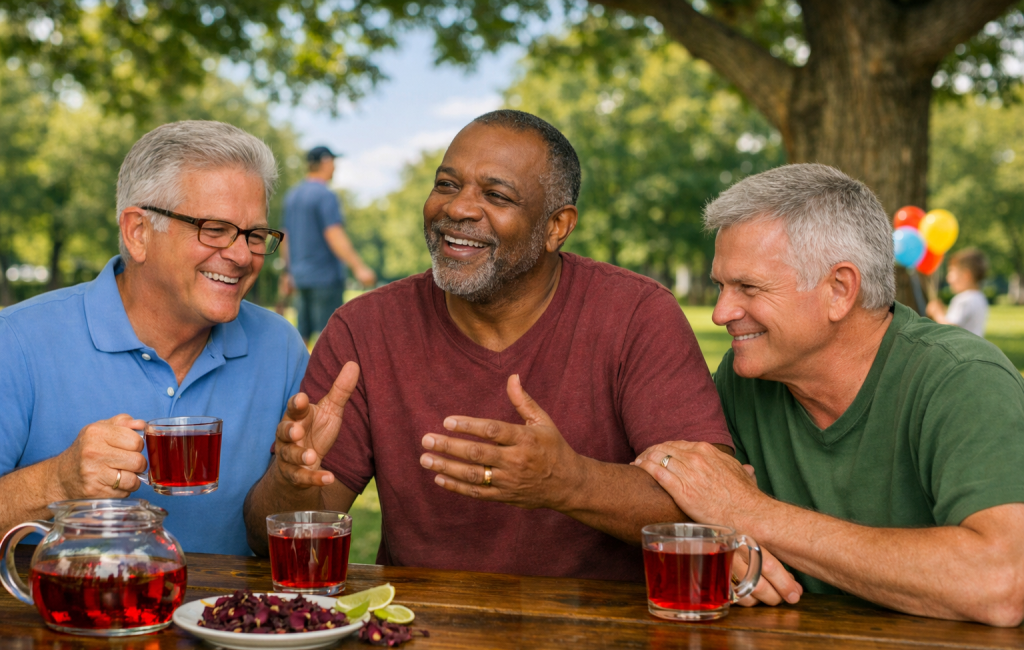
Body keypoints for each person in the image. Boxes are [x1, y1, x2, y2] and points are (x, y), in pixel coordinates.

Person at [244, 110, 789, 588]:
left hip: (603, 640)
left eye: (497, 195)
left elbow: (714, 511)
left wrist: (569, 482)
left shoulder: (636, 315)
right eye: (446, 184)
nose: (458, 208)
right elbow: (277, 541)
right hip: (421, 640)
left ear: (557, 226)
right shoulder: (365, 327)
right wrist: (292, 482)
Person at [634, 164, 1024, 626]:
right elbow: (701, 501)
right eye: (721, 286)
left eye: (749, 287)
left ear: (839, 289)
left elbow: (1002, 583)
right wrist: (722, 533)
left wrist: (750, 514)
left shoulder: (962, 380)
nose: (721, 312)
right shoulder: (744, 380)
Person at [0, 121, 309, 555]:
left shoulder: (280, 348)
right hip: (61, 616)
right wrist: (57, 480)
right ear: (138, 233)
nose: (241, 256)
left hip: (225, 620)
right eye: (214, 229)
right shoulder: (15, 340)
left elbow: (281, 539)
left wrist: (292, 480)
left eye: (255, 235)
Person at [280, 146, 377, 342]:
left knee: (302, 336)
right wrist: (359, 267)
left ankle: (300, 373)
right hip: (325, 278)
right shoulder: (325, 195)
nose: (335, 168)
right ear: (325, 162)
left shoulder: (292, 197)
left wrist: (287, 273)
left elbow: (285, 237)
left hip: (300, 278)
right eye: (333, 162)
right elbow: (334, 234)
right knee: (332, 339)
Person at [926, 247, 989, 337]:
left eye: (951, 272)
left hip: (960, 350)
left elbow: (951, 328)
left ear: (966, 275)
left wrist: (937, 314)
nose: (948, 279)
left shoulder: (963, 299)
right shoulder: (979, 297)